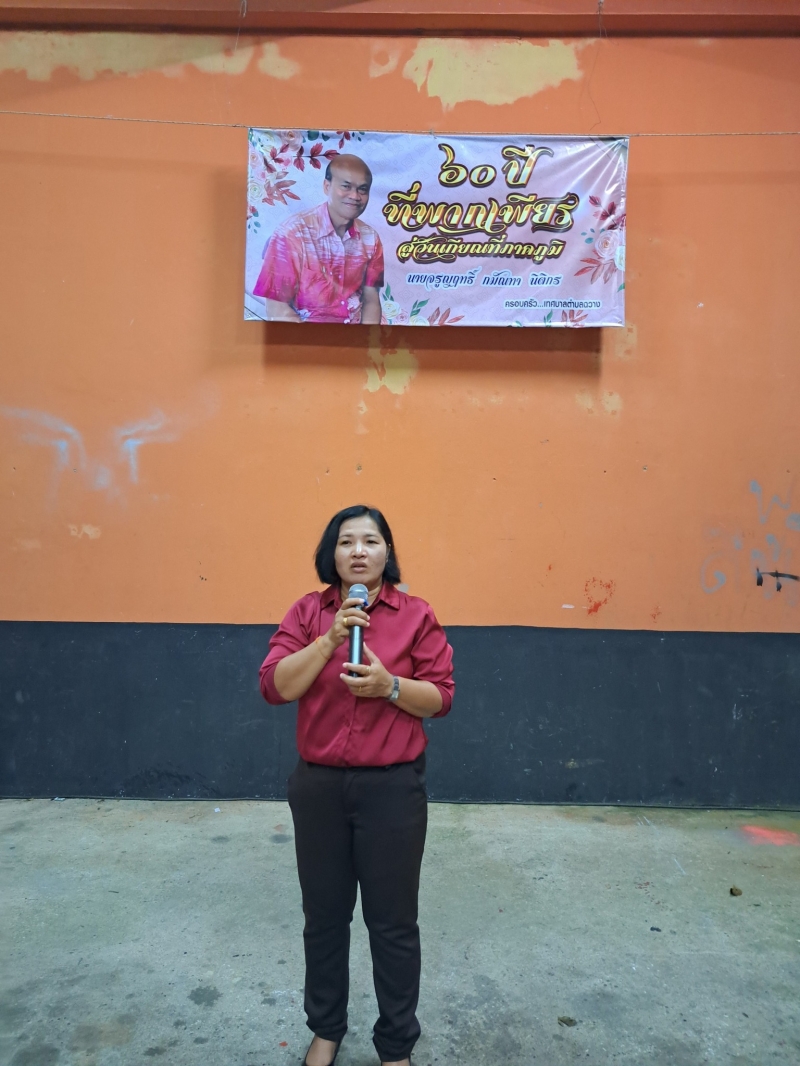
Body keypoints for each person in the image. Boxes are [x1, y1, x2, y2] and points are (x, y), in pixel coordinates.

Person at [259, 505, 454, 1066]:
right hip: (319, 788)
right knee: (323, 918)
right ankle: (326, 1029)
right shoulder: (308, 612)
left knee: (393, 924)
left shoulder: (416, 615)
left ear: (387, 552)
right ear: (333, 554)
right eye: (347, 541)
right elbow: (274, 686)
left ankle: (395, 1045)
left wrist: (391, 686)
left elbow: (441, 697)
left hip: (392, 790)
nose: (359, 551)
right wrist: (329, 639)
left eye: (371, 540)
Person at [253, 155, 384, 324]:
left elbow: (371, 299)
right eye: (346, 186)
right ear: (326, 186)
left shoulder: (371, 238)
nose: (355, 196)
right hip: (303, 336)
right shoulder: (291, 234)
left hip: (355, 336)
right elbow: (277, 307)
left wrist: (366, 339)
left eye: (362, 190)